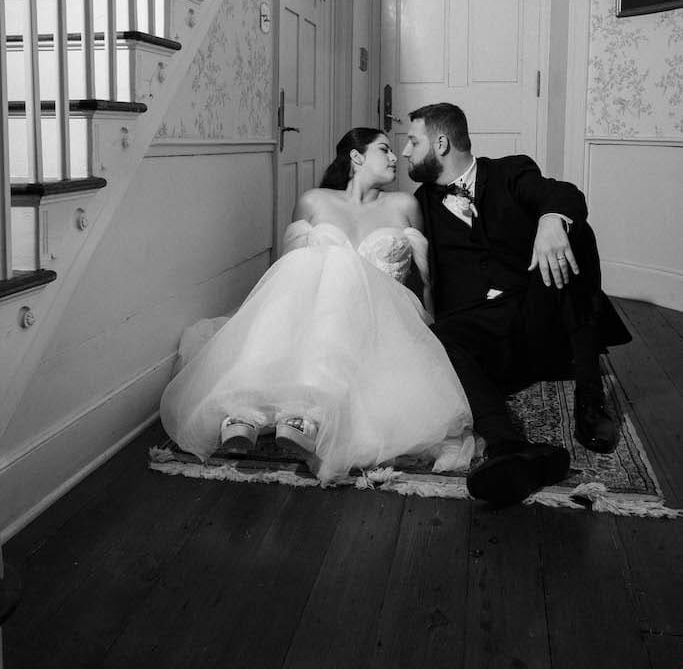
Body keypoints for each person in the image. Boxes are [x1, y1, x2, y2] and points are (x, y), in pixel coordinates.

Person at [160, 128, 473, 484]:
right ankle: (246, 410)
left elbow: (426, 277)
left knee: (342, 267)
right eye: (384, 149)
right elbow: (286, 275)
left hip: (377, 319)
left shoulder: (404, 205)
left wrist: (427, 326)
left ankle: (298, 411)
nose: (394, 157)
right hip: (310, 317)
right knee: (314, 266)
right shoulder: (313, 201)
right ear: (356, 158)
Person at [403, 102, 631, 507]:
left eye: (412, 140)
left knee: (575, 234)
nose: (405, 151)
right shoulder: (419, 202)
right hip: (482, 333)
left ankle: (589, 398)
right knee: (437, 337)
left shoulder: (509, 171)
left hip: (537, 315)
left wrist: (550, 222)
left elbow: (563, 194)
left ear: (440, 143)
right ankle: (509, 447)